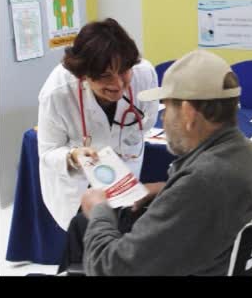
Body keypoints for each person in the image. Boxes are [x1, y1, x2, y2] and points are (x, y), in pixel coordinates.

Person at [79, 50, 252, 276]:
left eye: (167, 107)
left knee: (82, 226)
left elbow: (110, 268)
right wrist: (168, 188)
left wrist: (99, 211)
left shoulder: (202, 183)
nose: (163, 118)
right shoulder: (247, 155)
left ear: (188, 113)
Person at [37, 18, 162, 268]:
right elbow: (48, 151)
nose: (117, 84)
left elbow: (146, 122)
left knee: (122, 245)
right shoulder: (58, 92)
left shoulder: (144, 73)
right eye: (105, 77)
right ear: (83, 75)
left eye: (124, 72)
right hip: (78, 186)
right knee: (84, 251)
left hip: (126, 175)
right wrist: (73, 156)